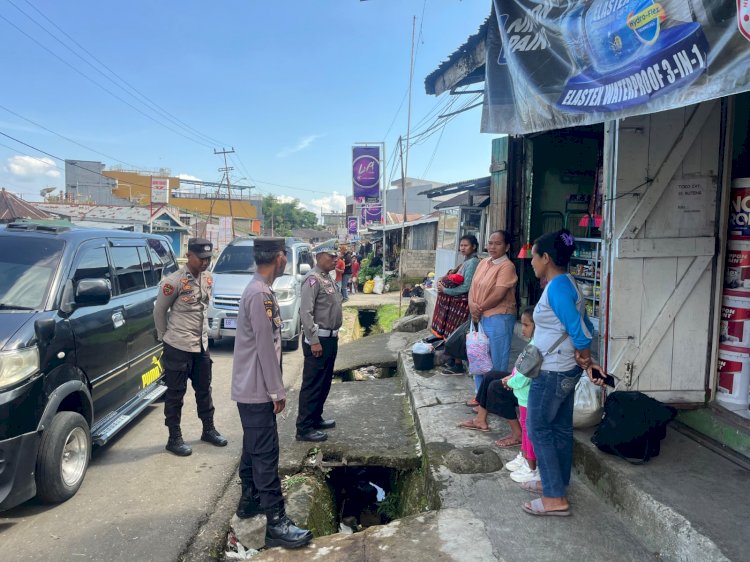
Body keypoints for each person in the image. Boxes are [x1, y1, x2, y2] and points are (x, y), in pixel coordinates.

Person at [230, 237, 312, 549]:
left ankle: (248, 502)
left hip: (251, 386)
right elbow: (266, 346)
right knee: (266, 453)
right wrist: (277, 390)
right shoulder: (260, 294)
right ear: (279, 258)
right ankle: (276, 522)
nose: (285, 261)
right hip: (257, 389)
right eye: (284, 257)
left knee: (254, 447)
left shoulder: (258, 290)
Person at [523, 229, 593, 517]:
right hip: (564, 367)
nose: (531, 262)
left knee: (538, 428)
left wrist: (585, 353)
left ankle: (555, 498)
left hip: (552, 371)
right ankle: (556, 482)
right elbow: (583, 321)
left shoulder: (556, 288)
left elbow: (577, 326)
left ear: (547, 258)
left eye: (534, 257)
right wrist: (581, 354)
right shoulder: (567, 282)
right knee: (560, 428)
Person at [154, 238, 227, 457]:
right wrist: (165, 337)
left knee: (204, 390)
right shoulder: (173, 282)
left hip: (201, 345)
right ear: (189, 256)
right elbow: (159, 312)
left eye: (209, 258)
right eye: (201, 258)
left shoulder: (208, 279)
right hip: (178, 345)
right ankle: (174, 437)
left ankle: (208, 429)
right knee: (176, 394)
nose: (205, 262)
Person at [296, 244, 343, 442]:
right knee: (313, 383)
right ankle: (304, 428)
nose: (335, 260)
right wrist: (314, 341)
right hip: (319, 339)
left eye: (336, 257)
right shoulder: (312, 280)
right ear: (319, 256)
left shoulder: (327, 277)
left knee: (324, 382)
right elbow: (305, 313)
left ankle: (316, 417)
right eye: (331, 257)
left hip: (331, 337)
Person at [467, 230, 518, 402]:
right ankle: (480, 396)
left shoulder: (507, 266)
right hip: (479, 317)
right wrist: (472, 305)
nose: (492, 247)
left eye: (498, 243)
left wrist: (478, 308)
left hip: (499, 318)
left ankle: (494, 398)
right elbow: (472, 287)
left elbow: (499, 294)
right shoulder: (483, 263)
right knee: (479, 357)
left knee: (497, 361)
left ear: (507, 246)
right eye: (490, 243)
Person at [431, 234, 480, 375]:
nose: (462, 248)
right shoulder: (466, 261)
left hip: (463, 304)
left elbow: (466, 286)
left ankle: (458, 364)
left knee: (457, 334)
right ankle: (452, 360)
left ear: (474, 247)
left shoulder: (473, 263)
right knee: (451, 332)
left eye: (466, 245)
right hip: (457, 304)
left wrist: (445, 290)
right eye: (461, 245)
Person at [503, 307, 538, 483]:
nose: (522, 328)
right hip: (523, 397)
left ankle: (531, 467)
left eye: (526, 325)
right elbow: (520, 369)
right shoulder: (531, 345)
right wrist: (512, 377)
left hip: (528, 396)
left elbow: (525, 375)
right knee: (525, 428)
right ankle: (525, 456)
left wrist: (510, 382)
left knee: (529, 430)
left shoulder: (535, 348)